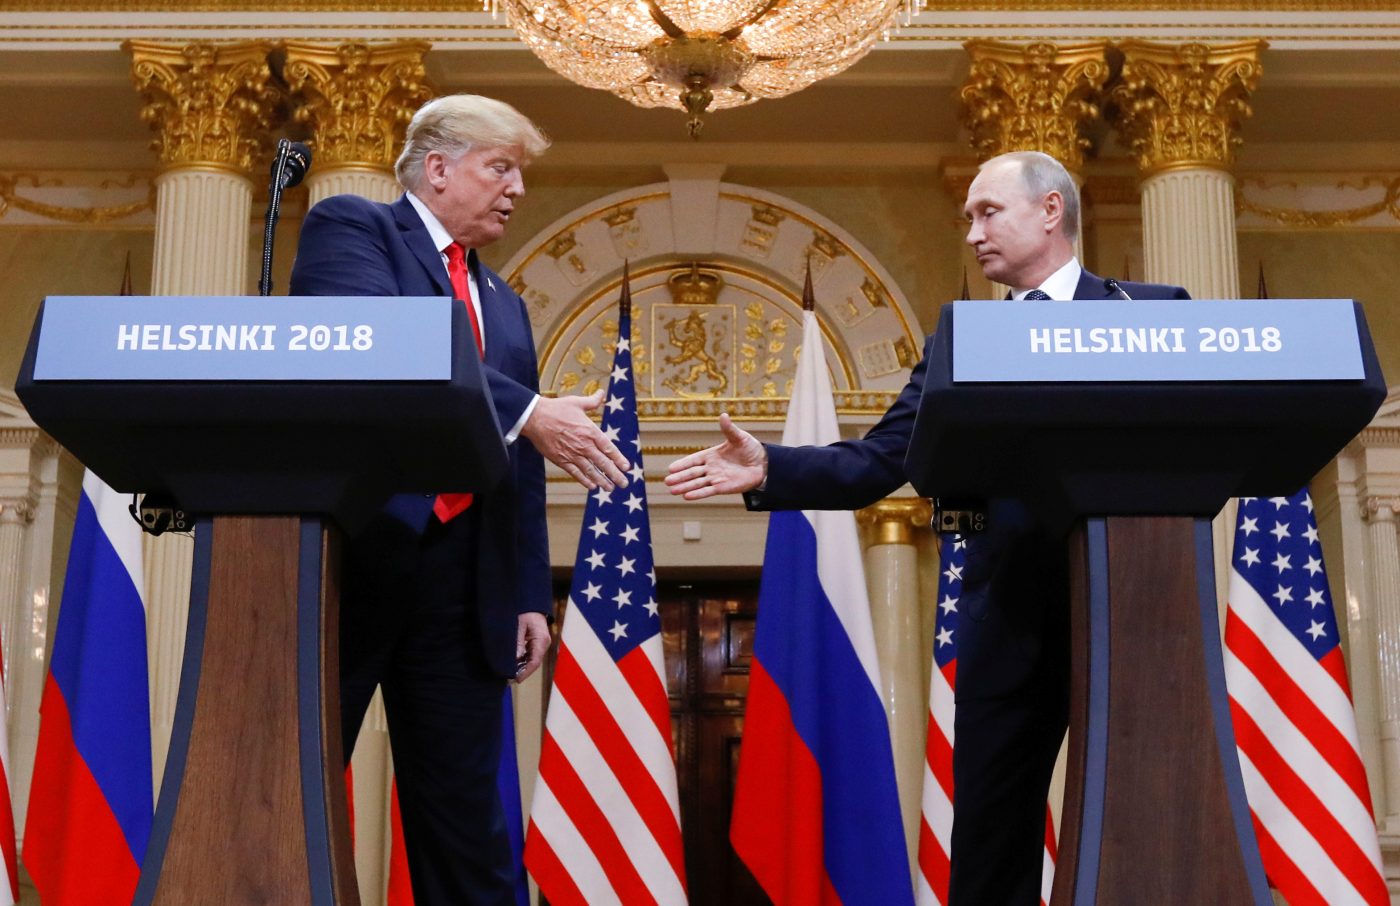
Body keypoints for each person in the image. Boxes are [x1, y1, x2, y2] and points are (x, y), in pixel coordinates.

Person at [665, 150, 1190, 905]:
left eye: (988, 213)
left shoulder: (1151, 311)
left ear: (1050, 210)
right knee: (990, 836)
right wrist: (772, 469)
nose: (972, 233)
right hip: (1006, 614)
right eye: (967, 218)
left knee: (1149, 818)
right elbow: (882, 459)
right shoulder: (961, 339)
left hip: (1134, 606)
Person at [289, 94, 631, 905]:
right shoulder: (354, 228)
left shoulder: (505, 303)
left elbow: (515, 465)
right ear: (437, 167)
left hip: (462, 584)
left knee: (466, 825)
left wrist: (523, 594)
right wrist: (525, 409)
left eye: (520, 173)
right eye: (499, 167)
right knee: (292, 781)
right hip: (354, 561)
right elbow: (373, 341)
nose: (516, 189)